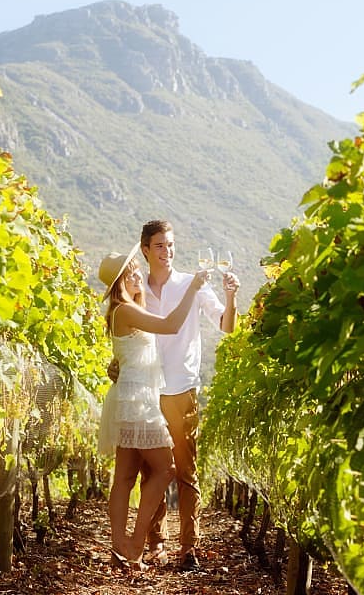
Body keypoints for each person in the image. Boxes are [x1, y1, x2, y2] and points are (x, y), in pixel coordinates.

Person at [96, 244, 209, 570]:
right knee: (166, 468)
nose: (137, 274)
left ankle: (121, 549)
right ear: (118, 282)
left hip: (131, 396)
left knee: (125, 477)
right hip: (139, 401)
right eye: (130, 272)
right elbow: (172, 324)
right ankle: (133, 542)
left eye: (134, 269)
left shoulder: (125, 309)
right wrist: (192, 288)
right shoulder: (126, 310)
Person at [138, 219, 239, 571]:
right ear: (146, 250)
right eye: (161, 246)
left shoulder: (191, 284)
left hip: (183, 389)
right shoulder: (138, 290)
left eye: (171, 244)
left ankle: (189, 548)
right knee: (153, 473)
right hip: (148, 390)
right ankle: (156, 543)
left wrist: (230, 295)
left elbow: (226, 326)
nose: (168, 251)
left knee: (185, 471)